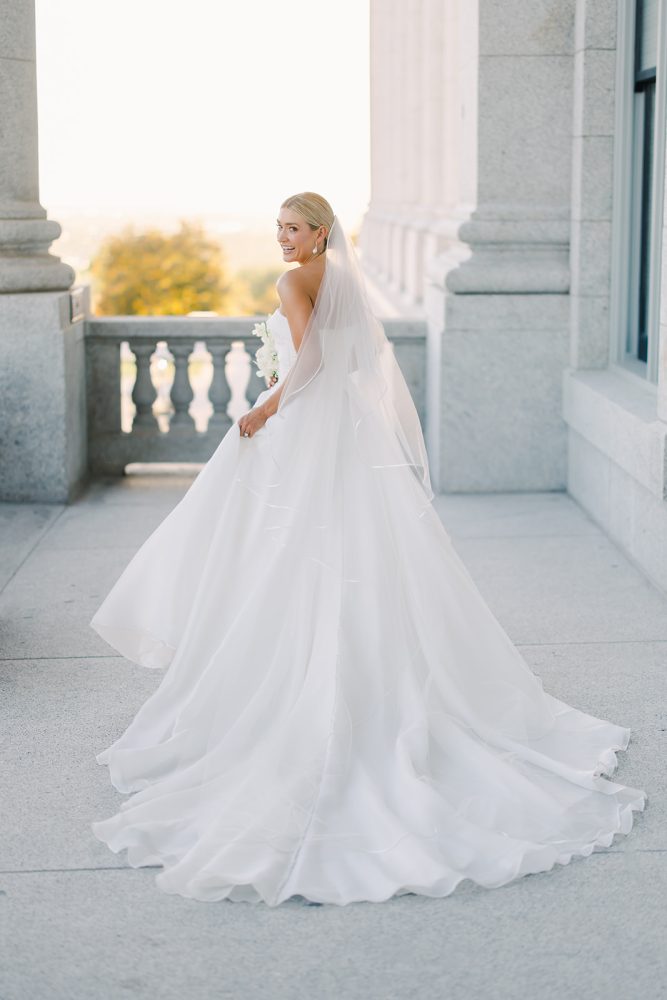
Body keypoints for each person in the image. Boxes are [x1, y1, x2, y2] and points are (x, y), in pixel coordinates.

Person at [90, 191, 646, 907]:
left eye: (293, 229)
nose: (283, 240)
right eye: (279, 230)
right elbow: (352, 362)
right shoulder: (343, 280)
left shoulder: (294, 282)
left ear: (321, 233)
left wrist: (264, 405)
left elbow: (315, 358)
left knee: (284, 553)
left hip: (307, 426)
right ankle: (361, 677)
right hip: (344, 430)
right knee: (349, 556)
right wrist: (284, 381)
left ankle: (304, 690)